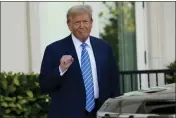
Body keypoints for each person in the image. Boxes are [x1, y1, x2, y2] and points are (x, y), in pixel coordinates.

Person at [39, 4, 120, 118]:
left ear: (91, 23)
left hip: (100, 112)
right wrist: (61, 69)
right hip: (67, 113)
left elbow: (114, 82)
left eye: (85, 21)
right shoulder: (54, 49)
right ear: (69, 25)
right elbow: (44, 85)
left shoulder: (104, 47)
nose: (82, 26)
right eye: (77, 22)